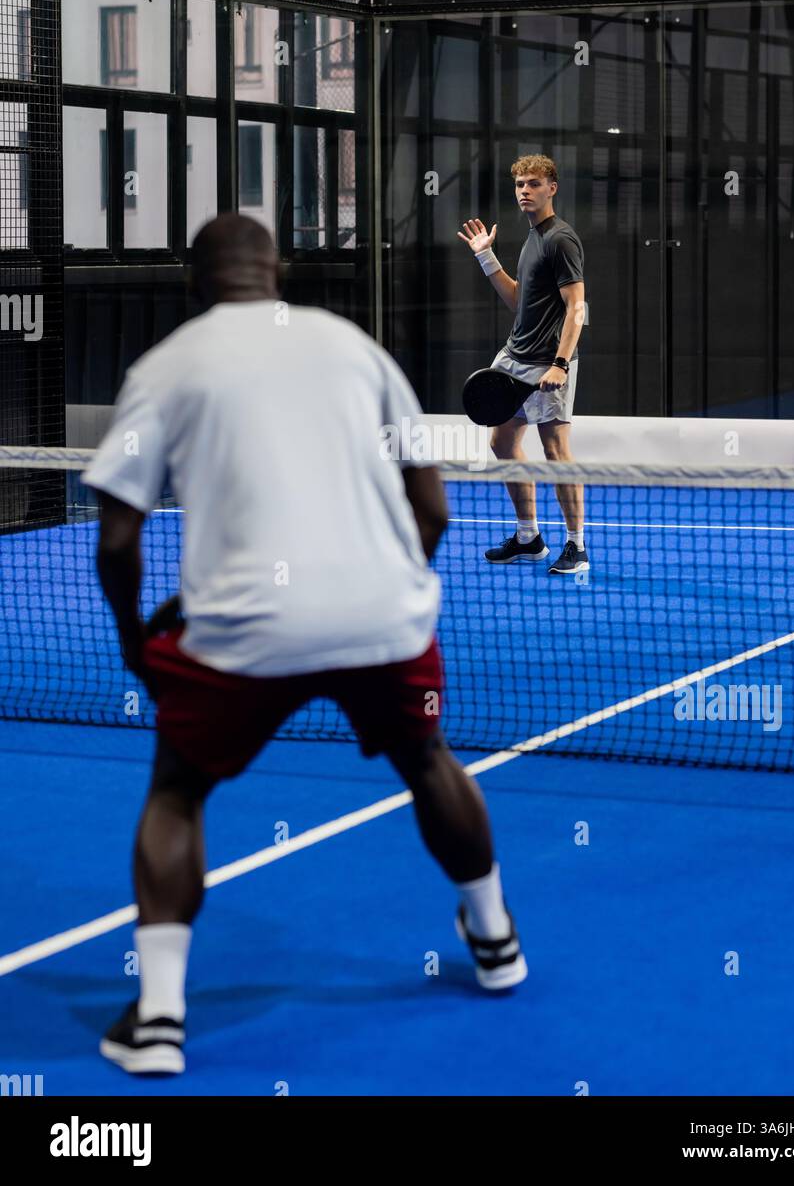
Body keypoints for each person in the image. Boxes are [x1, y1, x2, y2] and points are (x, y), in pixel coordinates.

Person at [83, 213, 527, 1077]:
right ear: (278, 272)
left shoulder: (163, 368)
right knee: (427, 758)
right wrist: (391, 592)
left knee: (177, 791)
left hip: (240, 628)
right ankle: (495, 938)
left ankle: (162, 1020)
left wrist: (138, 643)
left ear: (192, 283)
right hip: (379, 619)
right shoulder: (356, 350)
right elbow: (430, 509)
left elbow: (114, 538)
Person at [458, 154, 587, 574]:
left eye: (533, 183)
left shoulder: (560, 239)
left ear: (553, 188)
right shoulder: (533, 238)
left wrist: (561, 364)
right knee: (502, 443)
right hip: (513, 357)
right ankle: (529, 538)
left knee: (555, 451)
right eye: (519, 185)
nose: (524, 191)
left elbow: (577, 308)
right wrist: (486, 257)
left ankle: (577, 546)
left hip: (548, 363)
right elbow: (519, 302)